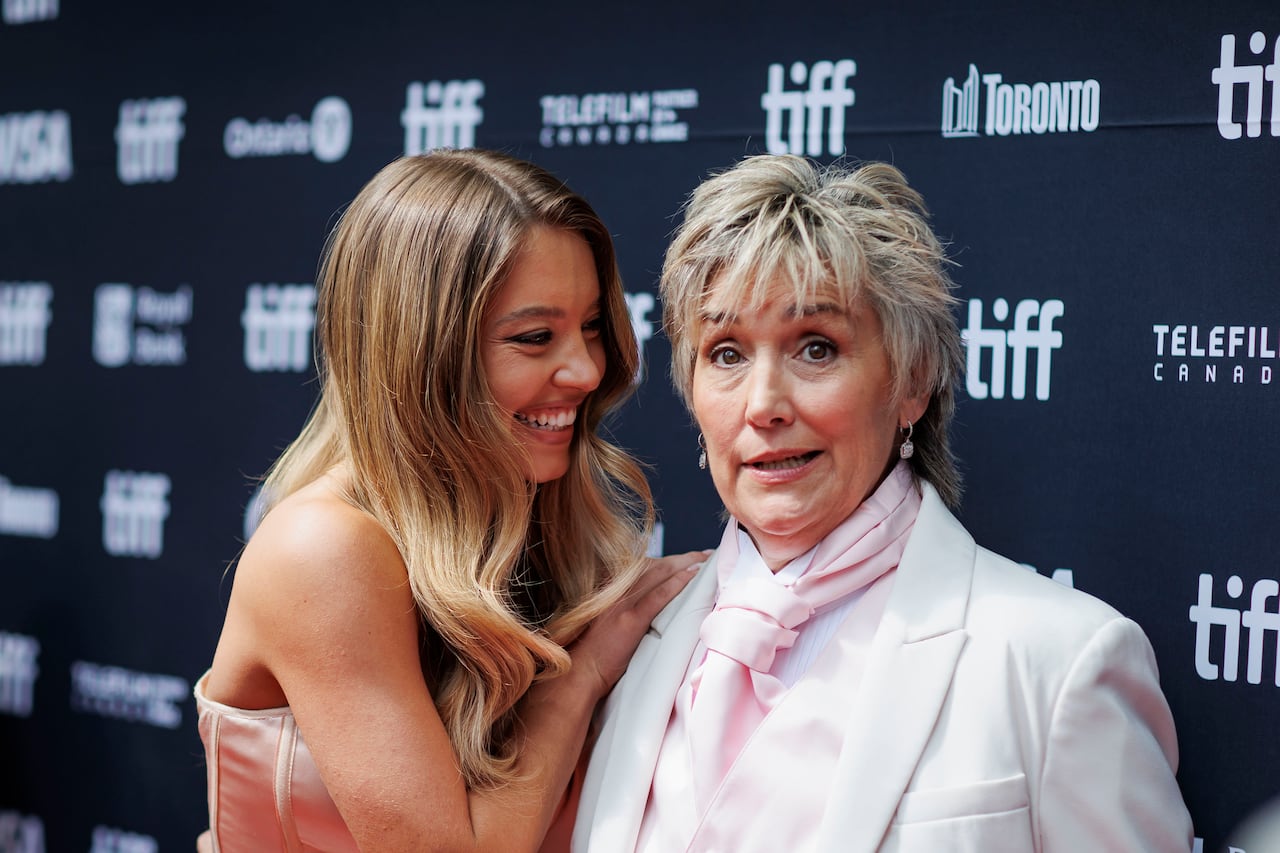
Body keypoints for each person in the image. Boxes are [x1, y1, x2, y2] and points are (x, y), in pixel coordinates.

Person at [571, 154, 1194, 851]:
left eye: (815, 347)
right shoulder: (626, 643)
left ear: (913, 381)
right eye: (726, 353)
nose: (764, 404)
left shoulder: (1058, 658)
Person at [194, 150, 701, 852]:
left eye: (590, 325)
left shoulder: (534, 516)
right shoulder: (322, 549)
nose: (587, 369)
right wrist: (579, 671)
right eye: (534, 337)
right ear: (423, 352)